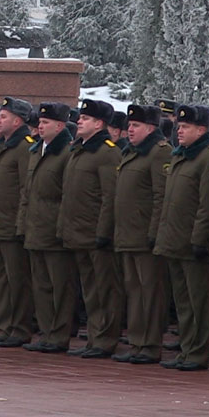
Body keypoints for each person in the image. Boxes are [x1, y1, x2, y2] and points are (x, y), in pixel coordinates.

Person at [154, 105, 209, 371]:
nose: (178, 130)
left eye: (185, 127)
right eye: (178, 126)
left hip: (193, 243)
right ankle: (186, 349)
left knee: (198, 301)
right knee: (183, 302)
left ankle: (197, 352)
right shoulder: (181, 156)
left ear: (202, 130)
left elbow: (208, 204)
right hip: (175, 240)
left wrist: (199, 240)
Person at [59, 99, 121, 359]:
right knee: (90, 290)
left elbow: (110, 197)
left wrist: (103, 233)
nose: (79, 122)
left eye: (85, 119)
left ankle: (105, 339)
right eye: (80, 117)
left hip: (96, 234)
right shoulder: (79, 150)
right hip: (78, 232)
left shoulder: (107, 152)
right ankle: (95, 337)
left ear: (99, 124)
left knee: (104, 289)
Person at [112, 105, 171, 365]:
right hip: (127, 234)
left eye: (136, 125)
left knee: (150, 291)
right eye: (129, 125)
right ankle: (137, 341)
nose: (130, 129)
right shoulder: (132, 152)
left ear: (151, 128)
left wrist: (154, 232)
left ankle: (150, 343)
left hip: (145, 235)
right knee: (134, 290)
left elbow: (161, 196)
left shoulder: (159, 153)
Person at [18, 102, 77, 353]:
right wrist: (22, 224)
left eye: (46, 123)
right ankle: (46, 332)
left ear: (60, 126)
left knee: (60, 287)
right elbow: (27, 193)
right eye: (39, 123)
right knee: (40, 286)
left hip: (54, 229)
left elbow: (68, 196)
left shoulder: (67, 153)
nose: (40, 126)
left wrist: (62, 228)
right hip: (35, 228)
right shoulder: (36, 150)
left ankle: (60, 334)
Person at [0, 97, 35, 348]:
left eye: (3, 116)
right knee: (1, 281)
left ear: (18, 120)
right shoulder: (3, 146)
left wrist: (21, 224)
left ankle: (19, 327)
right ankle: (5, 326)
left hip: (12, 226)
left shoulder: (25, 147)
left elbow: (27, 189)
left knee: (17, 281)